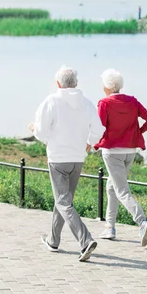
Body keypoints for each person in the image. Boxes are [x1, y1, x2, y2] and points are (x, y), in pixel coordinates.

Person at [29, 66, 105, 262]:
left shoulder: (51, 101)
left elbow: (42, 132)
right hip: (78, 158)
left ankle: (86, 240)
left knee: (63, 202)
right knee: (63, 201)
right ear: (76, 83)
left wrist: (34, 128)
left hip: (57, 159)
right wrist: (89, 144)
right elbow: (98, 130)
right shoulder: (87, 104)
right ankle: (53, 241)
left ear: (57, 84)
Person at [94, 69, 147, 246]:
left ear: (106, 86)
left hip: (113, 153)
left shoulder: (104, 103)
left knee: (121, 190)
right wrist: (137, 133)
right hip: (130, 151)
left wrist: (95, 143)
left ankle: (142, 222)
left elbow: (100, 128)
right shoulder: (133, 101)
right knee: (112, 187)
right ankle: (109, 227)